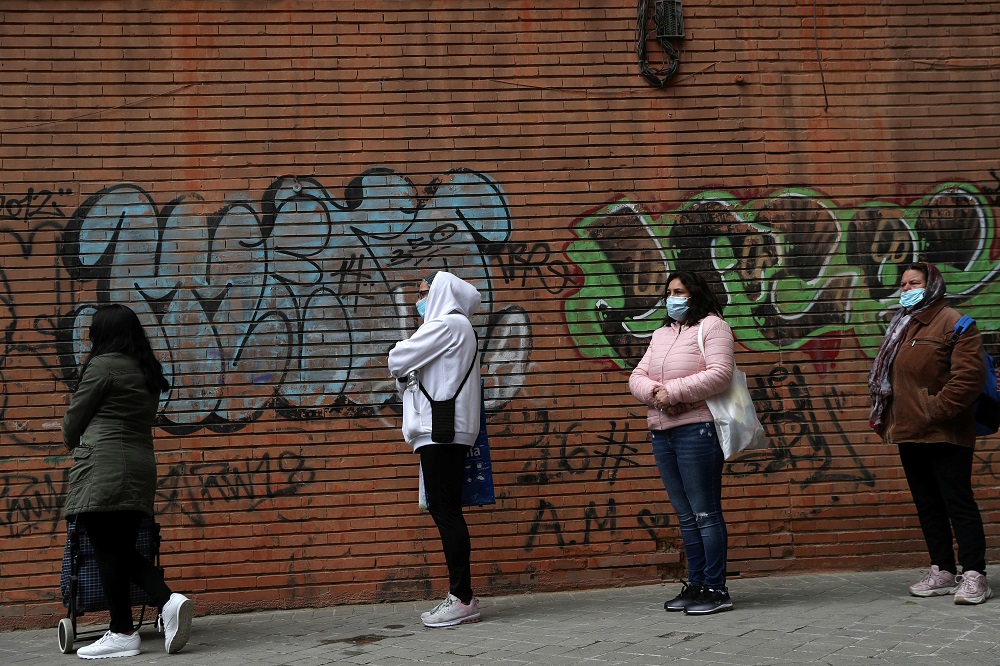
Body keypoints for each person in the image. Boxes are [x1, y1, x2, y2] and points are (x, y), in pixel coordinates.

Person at [63, 304, 194, 658]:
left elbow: (73, 423)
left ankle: (158, 606)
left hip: (103, 466)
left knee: (110, 548)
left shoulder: (102, 366)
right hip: (139, 466)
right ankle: (125, 628)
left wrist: (75, 438)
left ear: (104, 333)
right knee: (118, 548)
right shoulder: (146, 368)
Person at [869, 262, 991, 604]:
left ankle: (975, 574)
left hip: (946, 430)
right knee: (928, 504)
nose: (907, 289)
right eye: (904, 284)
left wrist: (933, 410)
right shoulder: (903, 325)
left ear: (932, 284)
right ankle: (942, 570)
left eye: (915, 283)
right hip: (910, 430)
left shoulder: (955, 322)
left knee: (958, 502)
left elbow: (968, 378)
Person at [628, 271, 735, 615]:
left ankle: (716, 590)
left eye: (680, 292)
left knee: (705, 512)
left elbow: (720, 373)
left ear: (695, 295)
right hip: (662, 431)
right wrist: (656, 395)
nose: (672, 298)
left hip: (697, 430)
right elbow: (636, 377)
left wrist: (671, 391)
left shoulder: (713, 327)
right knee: (686, 515)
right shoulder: (660, 334)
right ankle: (697, 584)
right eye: (669, 292)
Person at [388, 272, 483, 628]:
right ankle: (461, 595)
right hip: (444, 429)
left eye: (423, 290)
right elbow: (411, 377)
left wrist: (400, 356)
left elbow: (398, 360)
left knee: (445, 511)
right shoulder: (455, 330)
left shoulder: (447, 325)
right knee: (446, 509)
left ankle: (462, 598)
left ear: (441, 291)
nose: (418, 297)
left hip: (439, 431)